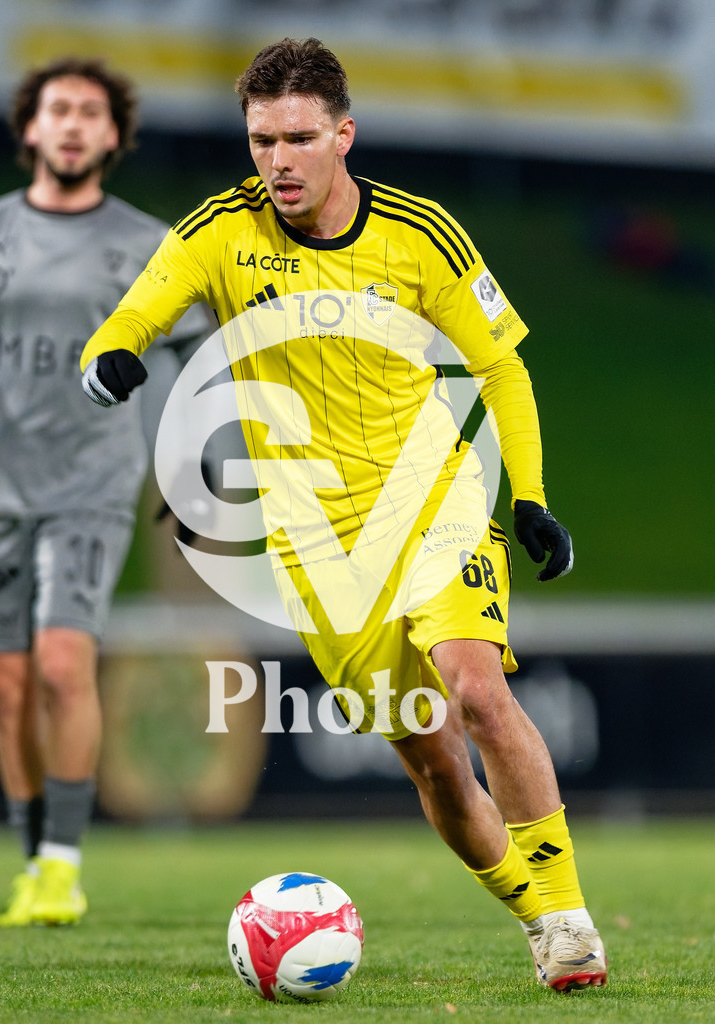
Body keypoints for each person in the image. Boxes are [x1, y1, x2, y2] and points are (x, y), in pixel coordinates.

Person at [80, 38, 607, 991]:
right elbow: (135, 314)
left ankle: (569, 919)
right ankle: (534, 915)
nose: (276, 161)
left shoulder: (421, 233)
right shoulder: (219, 230)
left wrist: (527, 496)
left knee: (478, 692)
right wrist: (111, 357)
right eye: (259, 140)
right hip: (316, 545)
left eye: (298, 138)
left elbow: (499, 364)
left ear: (343, 135)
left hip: (430, 496)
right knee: (433, 761)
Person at [0, 57, 210, 926]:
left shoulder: (147, 245)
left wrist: (183, 467)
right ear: (28, 129)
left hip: (93, 482)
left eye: (89, 112)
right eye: (56, 109)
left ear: (113, 137)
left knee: (63, 663)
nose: (70, 124)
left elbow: (185, 358)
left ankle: (61, 865)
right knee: (9, 680)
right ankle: (32, 853)